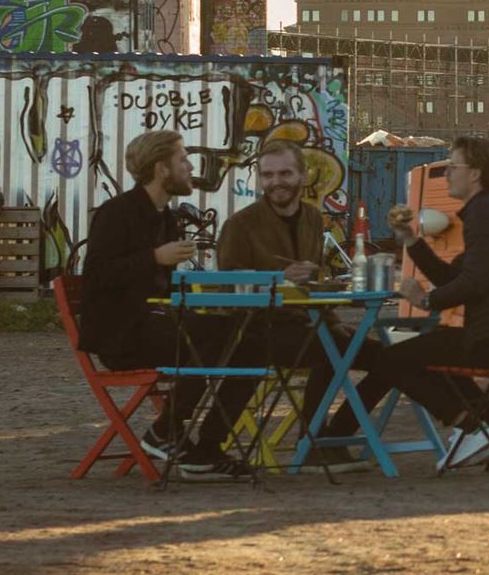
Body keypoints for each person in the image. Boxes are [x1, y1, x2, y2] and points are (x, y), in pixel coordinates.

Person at [79, 130, 260, 480]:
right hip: (122, 336)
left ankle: (205, 449)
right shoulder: (116, 213)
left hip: (158, 323)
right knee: (219, 333)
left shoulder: (167, 218)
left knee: (250, 341)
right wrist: (154, 257)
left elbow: (166, 288)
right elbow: (98, 275)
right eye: (183, 160)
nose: (190, 167)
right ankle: (165, 431)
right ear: (162, 169)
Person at [382, 135, 489, 467]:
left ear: (474, 174)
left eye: (452, 166)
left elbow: (472, 284)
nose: (446, 173)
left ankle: (471, 424)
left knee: (393, 360)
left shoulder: (485, 212)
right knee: (432, 348)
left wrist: (427, 301)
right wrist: (412, 240)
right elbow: (455, 277)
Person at [215, 139, 378, 471]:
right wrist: (279, 276)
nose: (276, 182)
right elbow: (228, 287)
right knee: (330, 348)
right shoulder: (241, 225)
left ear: (304, 176)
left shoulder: (314, 220)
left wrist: (331, 319)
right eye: (268, 175)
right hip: (255, 332)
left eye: (285, 173)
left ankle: (335, 435)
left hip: (307, 326)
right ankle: (313, 441)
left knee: (388, 357)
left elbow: (312, 286)